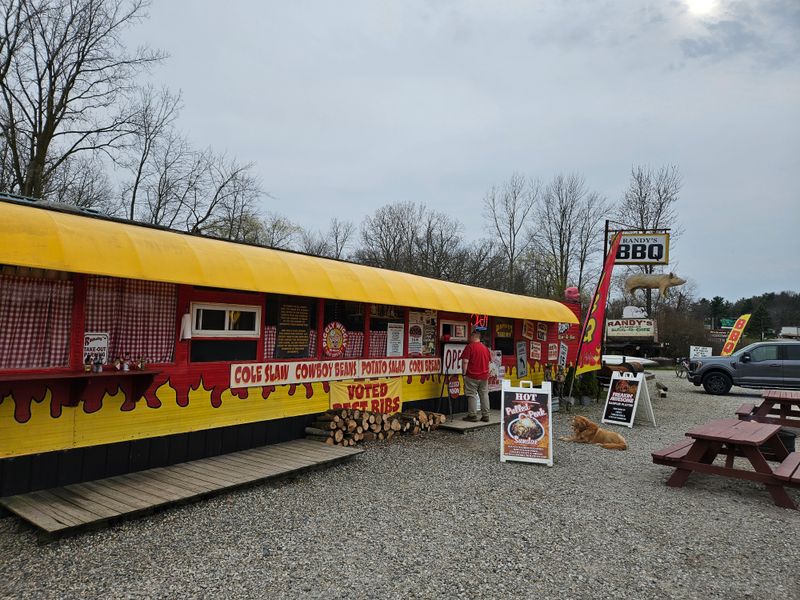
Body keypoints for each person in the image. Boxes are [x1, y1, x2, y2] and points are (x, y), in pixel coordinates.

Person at [460, 329, 491, 422]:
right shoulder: (485, 348)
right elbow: (488, 363)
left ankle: (472, 415)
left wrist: (464, 373)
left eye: (470, 336)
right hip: (484, 376)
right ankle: (486, 415)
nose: (469, 338)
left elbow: (465, 361)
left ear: (474, 337)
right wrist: (487, 373)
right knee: (484, 395)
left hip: (472, 375)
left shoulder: (469, 347)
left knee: (471, 395)